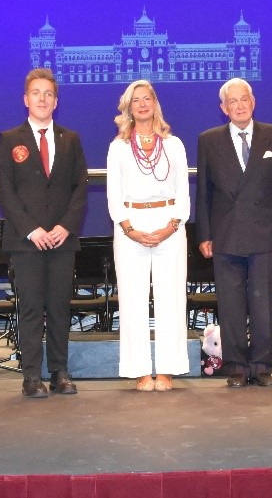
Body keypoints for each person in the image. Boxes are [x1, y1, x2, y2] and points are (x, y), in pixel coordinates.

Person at [0, 68, 89, 398]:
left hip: (63, 240)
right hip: (27, 241)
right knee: (32, 308)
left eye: (48, 94)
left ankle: (60, 372)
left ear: (56, 101)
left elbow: (80, 187)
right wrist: (32, 230)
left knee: (60, 307)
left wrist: (65, 226)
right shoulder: (10, 139)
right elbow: (5, 190)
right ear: (25, 99)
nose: (42, 99)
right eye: (36, 93)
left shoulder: (70, 139)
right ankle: (32, 375)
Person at [196, 77, 272, 388]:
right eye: (232, 101)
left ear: (253, 103)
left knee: (262, 301)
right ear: (223, 108)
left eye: (244, 100)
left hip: (265, 233)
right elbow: (204, 194)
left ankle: (262, 365)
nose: (239, 106)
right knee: (230, 303)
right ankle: (236, 366)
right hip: (225, 234)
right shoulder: (209, 140)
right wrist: (204, 234)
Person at [106, 80, 191, 392]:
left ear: (155, 104)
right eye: (135, 100)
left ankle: (168, 368)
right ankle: (139, 370)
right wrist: (129, 229)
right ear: (128, 108)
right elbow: (114, 195)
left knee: (170, 298)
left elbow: (183, 191)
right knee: (132, 300)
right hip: (130, 226)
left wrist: (171, 226)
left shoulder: (174, 145)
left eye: (147, 99)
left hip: (170, 224)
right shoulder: (117, 148)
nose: (142, 104)